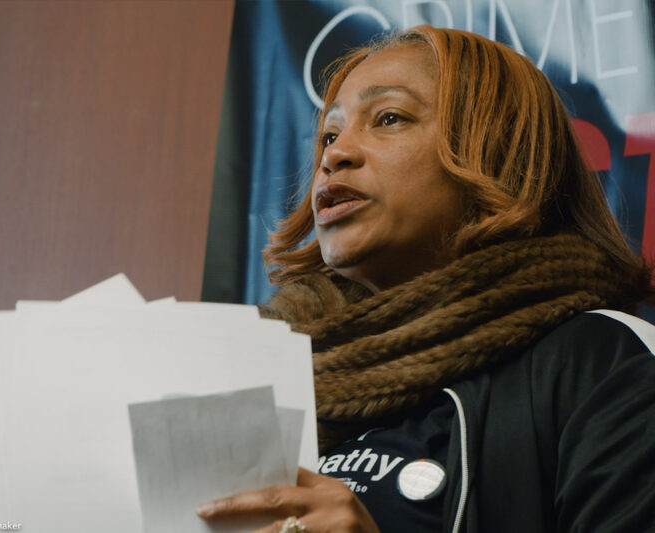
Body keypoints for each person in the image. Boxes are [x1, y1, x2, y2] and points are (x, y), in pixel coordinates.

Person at [196, 25, 655, 532]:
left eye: (388, 118)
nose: (333, 155)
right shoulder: (268, 375)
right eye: (329, 134)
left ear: (498, 150)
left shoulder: (600, 360)